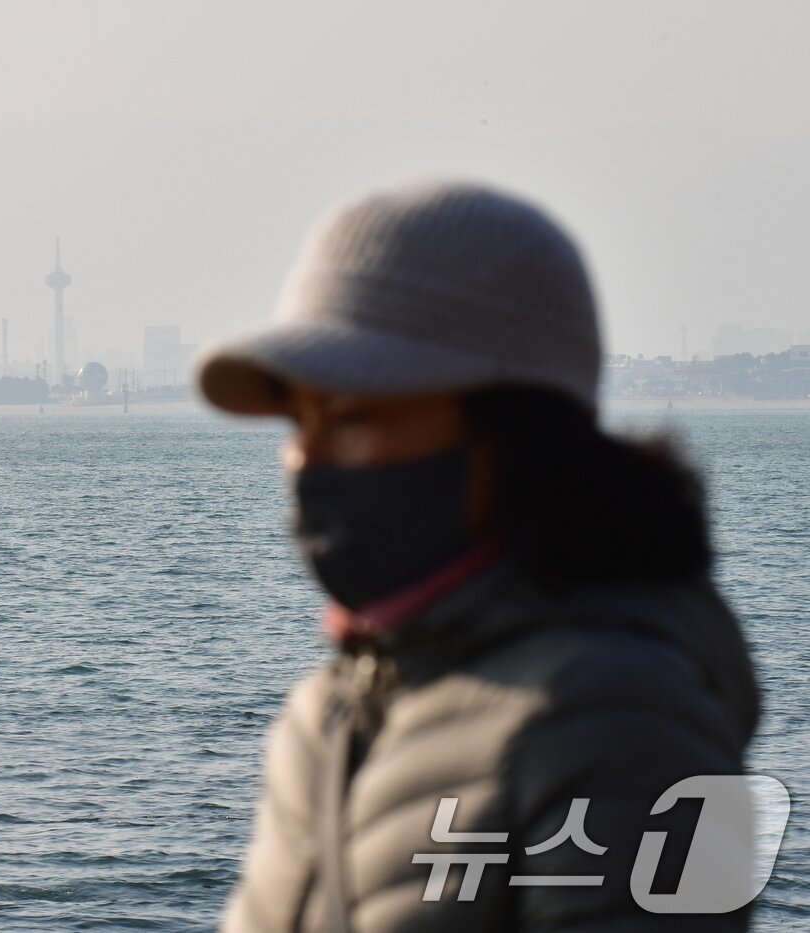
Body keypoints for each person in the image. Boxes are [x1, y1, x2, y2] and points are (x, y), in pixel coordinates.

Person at [195, 181, 760, 932]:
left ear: (514, 430)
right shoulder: (325, 717)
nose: (305, 457)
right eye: (298, 419)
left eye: (355, 415)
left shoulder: (623, 715)